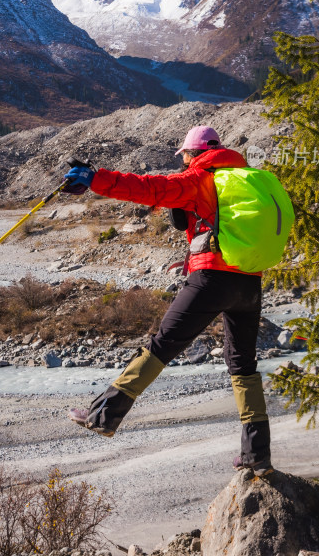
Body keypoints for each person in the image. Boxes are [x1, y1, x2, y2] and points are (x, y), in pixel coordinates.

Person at [65, 125, 273, 476]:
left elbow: (148, 189)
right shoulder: (245, 179)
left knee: (162, 345)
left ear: (193, 154)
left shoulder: (199, 179)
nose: (185, 161)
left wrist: (94, 178)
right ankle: (257, 456)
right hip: (250, 281)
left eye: (185, 156)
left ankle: (104, 415)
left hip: (212, 279)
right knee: (243, 365)